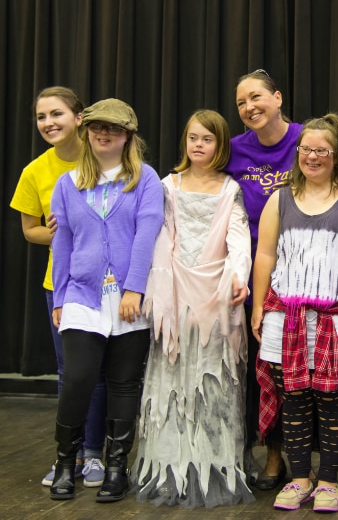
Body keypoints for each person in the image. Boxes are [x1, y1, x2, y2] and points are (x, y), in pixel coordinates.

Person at [228, 69, 338, 491]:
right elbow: (201, 173)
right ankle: (282, 465)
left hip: (329, 298)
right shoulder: (236, 152)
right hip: (268, 287)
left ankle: (326, 477)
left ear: (277, 98)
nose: (249, 107)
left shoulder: (314, 145)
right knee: (281, 388)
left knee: (327, 397)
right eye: (240, 102)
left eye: (256, 97)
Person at [251, 113, 338, 513]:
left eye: (322, 150)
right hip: (284, 318)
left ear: (337, 153)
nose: (313, 156)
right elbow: (265, 255)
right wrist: (258, 304)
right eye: (306, 149)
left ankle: (328, 483)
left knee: (332, 404)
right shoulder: (280, 197)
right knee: (294, 402)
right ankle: (299, 478)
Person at [131, 110, 254, 507]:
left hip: (216, 295)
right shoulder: (167, 185)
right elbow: (160, 235)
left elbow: (239, 238)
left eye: (208, 139)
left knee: (212, 380)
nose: (198, 145)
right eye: (192, 138)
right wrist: (164, 285)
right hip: (175, 291)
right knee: (172, 374)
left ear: (221, 145)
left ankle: (211, 463)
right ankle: (170, 464)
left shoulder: (230, 189)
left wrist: (238, 275)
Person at [48, 98, 164, 503]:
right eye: (97, 127)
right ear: (87, 132)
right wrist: (60, 295)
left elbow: (148, 234)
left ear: (128, 136)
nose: (103, 133)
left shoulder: (145, 180)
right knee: (78, 379)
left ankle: (117, 466)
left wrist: (135, 289)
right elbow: (61, 242)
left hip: (130, 297)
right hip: (81, 294)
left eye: (113, 128)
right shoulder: (68, 183)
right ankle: (66, 462)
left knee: (123, 383)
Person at [9, 86, 107, 488]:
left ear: (78, 118)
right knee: (71, 371)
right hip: (63, 284)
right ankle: (70, 453)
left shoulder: (106, 156)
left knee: (103, 372)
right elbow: (30, 230)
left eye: (56, 114)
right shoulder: (35, 171)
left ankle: (96, 455)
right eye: (41, 117)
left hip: (111, 283)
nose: (48, 123)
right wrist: (62, 234)